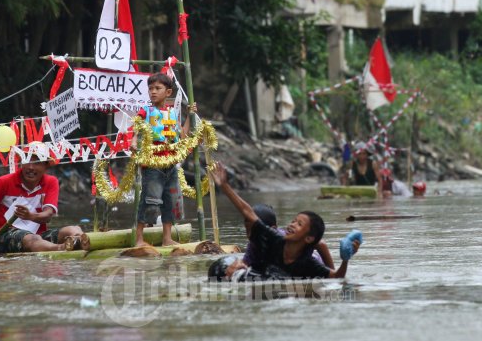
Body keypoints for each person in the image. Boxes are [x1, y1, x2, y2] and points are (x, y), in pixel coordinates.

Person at [210, 161, 362, 280]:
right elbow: (247, 212)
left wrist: (345, 260)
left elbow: (336, 277)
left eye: (299, 224)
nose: (291, 225)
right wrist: (224, 186)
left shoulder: (309, 263)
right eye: (293, 221)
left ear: (309, 238)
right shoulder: (273, 238)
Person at [0, 143, 83, 253]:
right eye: (27, 161)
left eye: (37, 162)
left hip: (38, 236)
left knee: (72, 230)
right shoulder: (3, 182)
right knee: (33, 239)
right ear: (21, 163)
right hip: (6, 237)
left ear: (46, 166)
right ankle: (62, 248)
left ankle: (83, 241)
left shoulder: (51, 182)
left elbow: (47, 215)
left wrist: (30, 216)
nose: (30, 167)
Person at [131, 72, 196, 247]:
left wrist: (190, 116)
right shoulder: (146, 111)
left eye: (157, 88)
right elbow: (136, 128)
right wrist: (134, 140)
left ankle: (167, 238)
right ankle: (139, 239)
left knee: (171, 202)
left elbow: (182, 135)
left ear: (168, 93)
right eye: (150, 88)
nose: (153, 92)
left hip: (171, 164)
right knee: (149, 202)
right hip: (152, 165)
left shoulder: (172, 113)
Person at [239, 204, 334, 269]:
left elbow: (321, 243)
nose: (250, 235)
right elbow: (246, 263)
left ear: (272, 229)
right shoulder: (253, 243)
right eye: (247, 230)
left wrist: (333, 274)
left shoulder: (285, 239)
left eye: (255, 231)